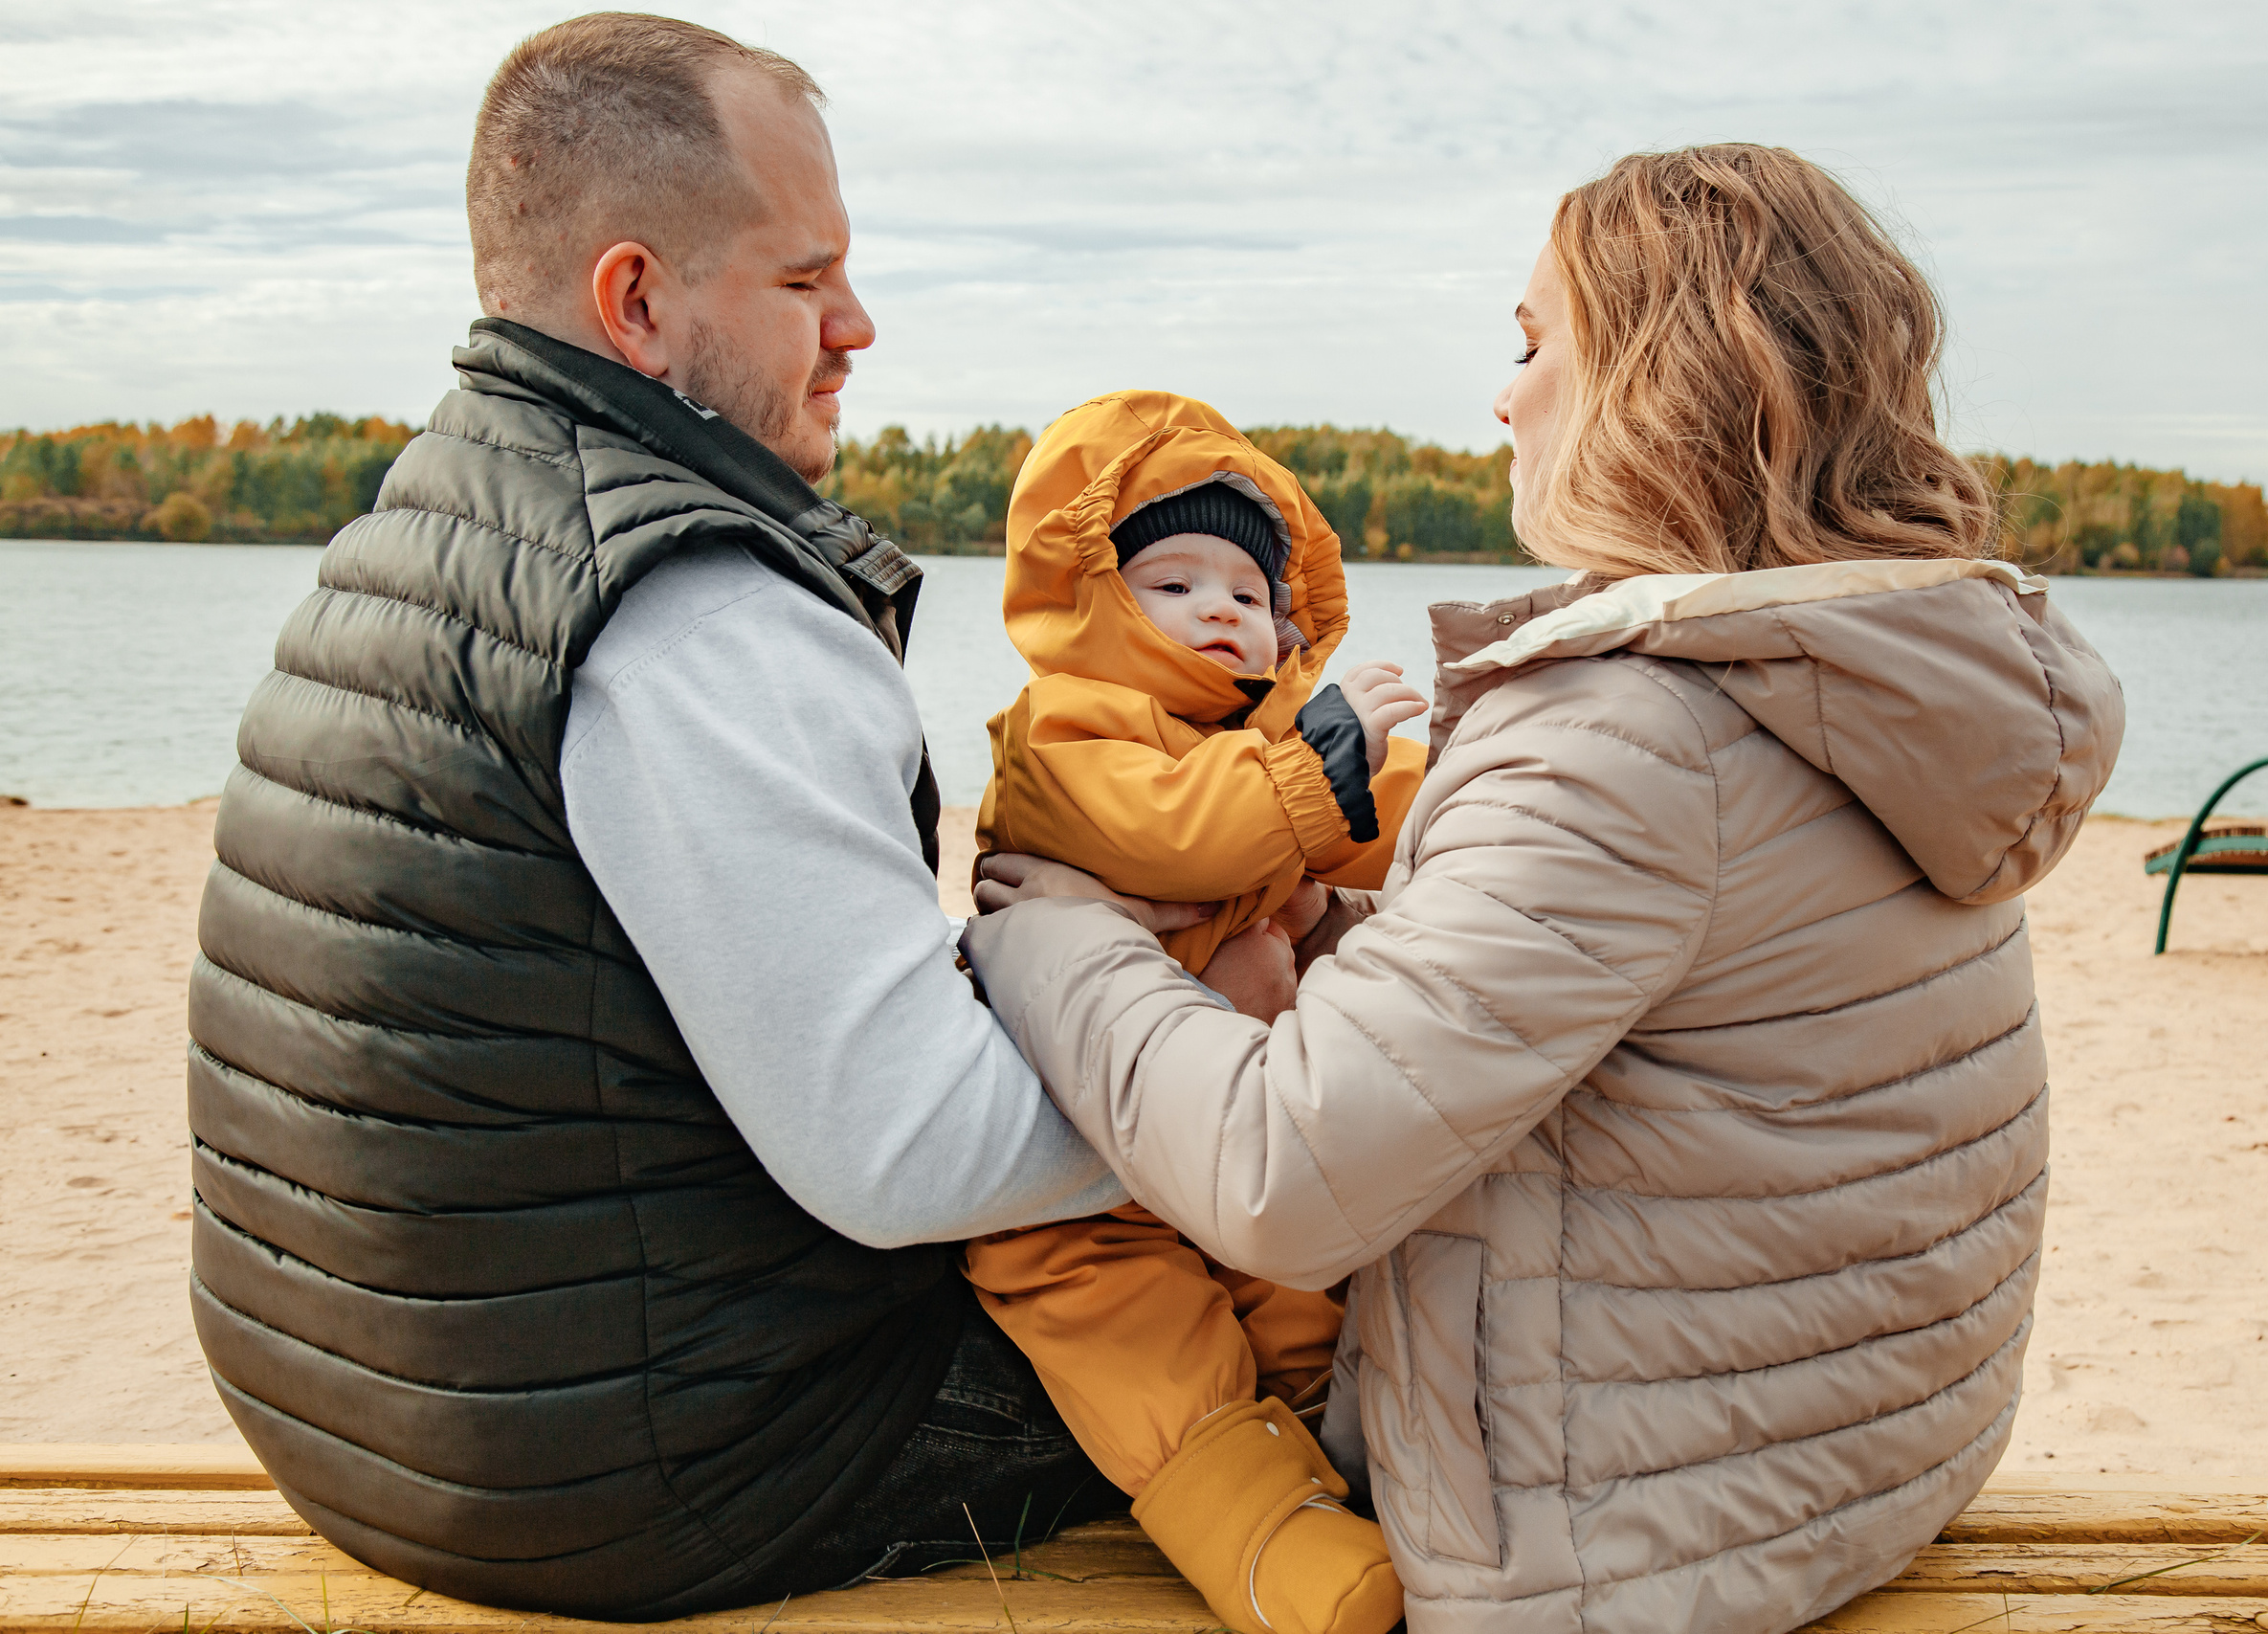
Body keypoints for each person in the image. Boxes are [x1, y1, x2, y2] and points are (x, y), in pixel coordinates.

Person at [183, 13, 1278, 1619]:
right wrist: (1220, 1049)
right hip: (662, 1473)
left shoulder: (436, 512)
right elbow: (913, 1152)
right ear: (636, 302)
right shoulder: (699, 613)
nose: (858, 326)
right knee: (1301, 1279)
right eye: (802, 280)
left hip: (361, 1411)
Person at [965, 144, 2125, 1633]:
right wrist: (1333, 931)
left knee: (969, 1283)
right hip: (1851, 1463)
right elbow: (1663, 994)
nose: (1502, 396)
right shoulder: (1867, 673)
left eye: (1531, 344)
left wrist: (1055, 930)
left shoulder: (1630, 736)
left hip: (1603, 1549)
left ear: (1660, 382)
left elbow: (1281, 1176)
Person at [964, 391, 1428, 1634]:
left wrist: (1445, 775)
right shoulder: (1068, 727)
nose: (1219, 607)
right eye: (1172, 583)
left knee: (1300, 1294)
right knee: (1136, 1339)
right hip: (1079, 1171)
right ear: (1099, 600)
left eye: (1246, 587)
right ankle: (1264, 1540)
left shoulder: (1268, 740)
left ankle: (1348, 1477)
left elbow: (1394, 823)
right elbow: (1170, 836)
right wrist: (1323, 761)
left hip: (1228, 1121)